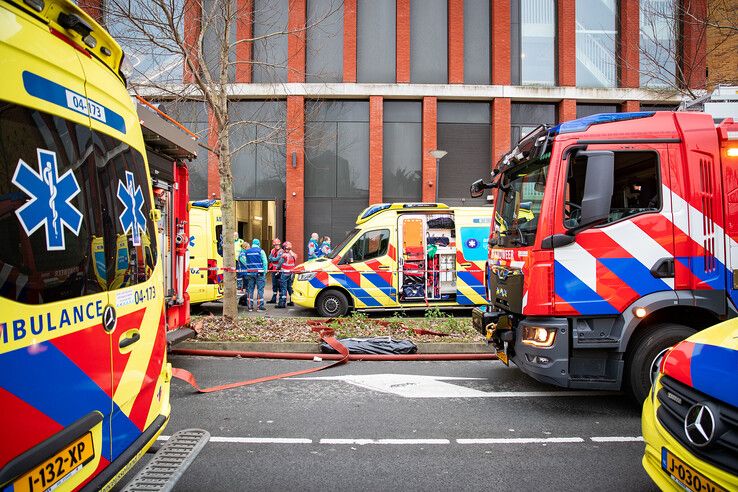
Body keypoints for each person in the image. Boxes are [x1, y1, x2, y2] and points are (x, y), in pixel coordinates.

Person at [239, 239, 268, 311]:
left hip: (250, 273)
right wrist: (265, 271)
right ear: (259, 244)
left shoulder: (247, 252)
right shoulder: (261, 251)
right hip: (259, 273)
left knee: (250, 289)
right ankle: (259, 307)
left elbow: (245, 261)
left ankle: (250, 307)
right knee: (260, 289)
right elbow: (265, 262)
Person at [276, 241, 297, 308]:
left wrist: (277, 269)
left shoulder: (284, 255)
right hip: (291, 274)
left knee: (283, 287)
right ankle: (292, 301)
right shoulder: (293, 255)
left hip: (285, 273)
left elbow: (279, 264)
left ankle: (282, 303)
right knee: (290, 287)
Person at [267, 238, 282, 303]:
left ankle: (281, 299)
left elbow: (277, 259)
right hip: (273, 269)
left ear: (279, 244)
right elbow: (269, 258)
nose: (276, 246)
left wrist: (272, 258)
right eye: (275, 245)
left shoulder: (281, 251)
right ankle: (274, 298)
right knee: (274, 284)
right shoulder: (273, 250)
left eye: (277, 244)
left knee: (280, 284)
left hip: (279, 270)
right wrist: (273, 259)